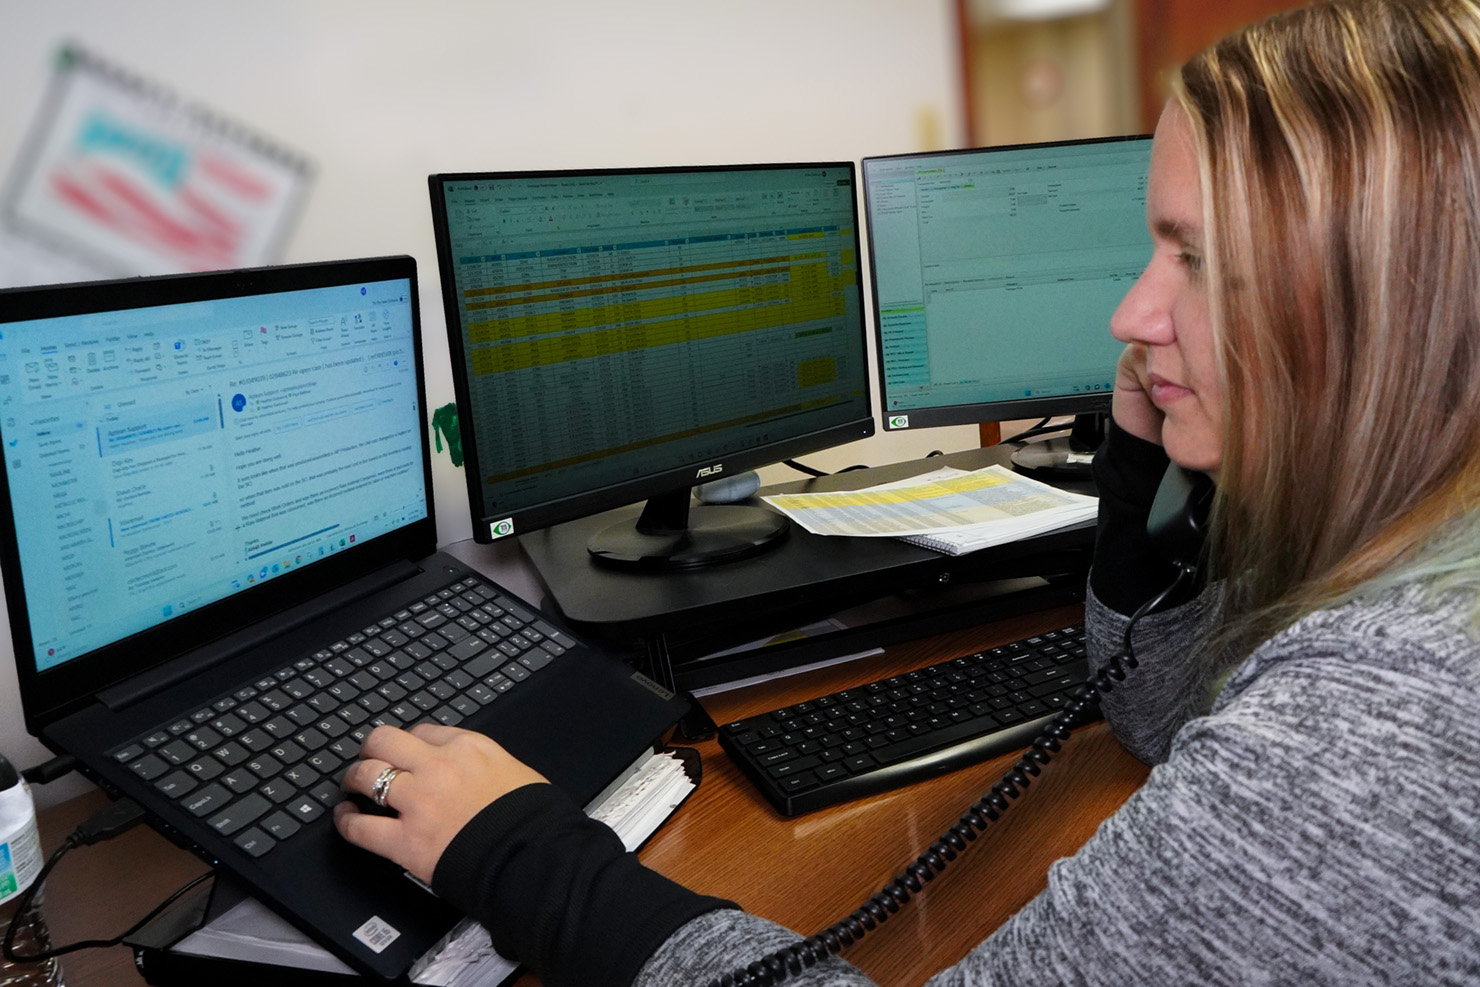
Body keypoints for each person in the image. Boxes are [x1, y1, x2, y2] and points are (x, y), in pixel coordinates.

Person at [335, 1, 1480, 983]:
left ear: (1391, 315)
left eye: (1200, 260)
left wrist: (522, 853)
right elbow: (1152, 720)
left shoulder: (1373, 732)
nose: (1130, 317)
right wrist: (1138, 481)